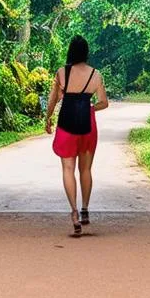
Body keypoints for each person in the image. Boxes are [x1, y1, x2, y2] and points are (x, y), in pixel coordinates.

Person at [44, 35, 109, 236]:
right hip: (88, 125)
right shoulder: (96, 75)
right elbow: (104, 103)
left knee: (68, 168)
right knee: (86, 169)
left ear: (70, 51)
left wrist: (47, 119)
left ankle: (73, 212)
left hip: (66, 124)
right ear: (86, 52)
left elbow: (53, 100)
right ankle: (85, 209)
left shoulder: (62, 73)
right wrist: (89, 109)